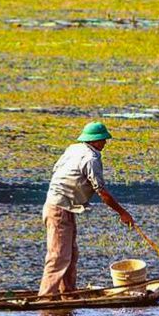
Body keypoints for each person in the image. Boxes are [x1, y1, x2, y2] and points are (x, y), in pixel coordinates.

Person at [38, 122, 135, 296]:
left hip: (65, 206)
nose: (105, 143)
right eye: (103, 139)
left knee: (71, 254)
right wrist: (123, 213)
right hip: (58, 208)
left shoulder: (74, 148)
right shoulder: (91, 159)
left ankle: (67, 293)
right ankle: (46, 297)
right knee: (58, 256)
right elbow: (102, 192)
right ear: (95, 140)